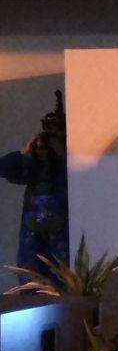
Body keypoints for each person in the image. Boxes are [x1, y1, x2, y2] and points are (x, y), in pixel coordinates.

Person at [0, 91, 69, 273]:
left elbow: (78, 179)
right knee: (31, 274)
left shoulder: (68, 162)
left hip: (62, 229)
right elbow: (5, 168)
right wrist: (24, 153)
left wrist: (62, 152)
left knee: (63, 275)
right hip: (33, 230)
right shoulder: (33, 160)